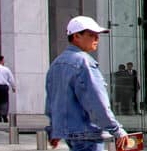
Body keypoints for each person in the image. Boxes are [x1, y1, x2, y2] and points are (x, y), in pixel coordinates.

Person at [45, 16, 129, 151]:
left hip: (71, 136)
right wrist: (117, 129)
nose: (97, 38)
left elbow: (52, 103)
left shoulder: (56, 64)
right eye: (91, 35)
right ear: (76, 36)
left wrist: (54, 130)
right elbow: (97, 102)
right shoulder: (84, 63)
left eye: (97, 35)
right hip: (87, 135)